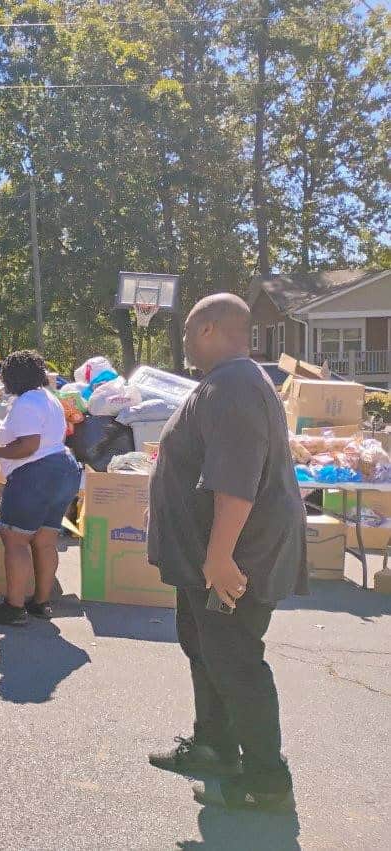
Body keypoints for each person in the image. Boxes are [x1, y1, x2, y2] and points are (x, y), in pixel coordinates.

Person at [147, 293, 304, 812]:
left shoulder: (234, 385)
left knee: (236, 663)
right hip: (207, 560)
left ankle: (266, 781)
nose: (186, 344)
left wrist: (219, 558)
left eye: (190, 333)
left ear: (210, 329)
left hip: (233, 563)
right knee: (207, 651)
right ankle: (214, 746)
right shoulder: (229, 382)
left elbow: (236, 483)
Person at [0, 350, 82, 626]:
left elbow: (28, 446)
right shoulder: (50, 399)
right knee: (45, 540)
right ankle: (41, 602)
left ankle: (14, 606)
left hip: (35, 475)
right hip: (64, 470)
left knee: (15, 539)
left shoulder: (26, 403)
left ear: (13, 377)